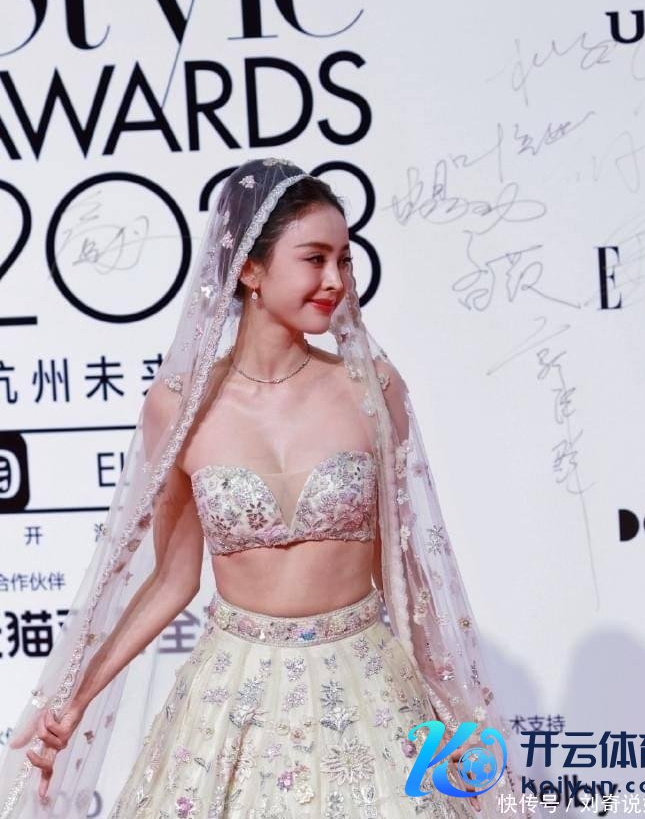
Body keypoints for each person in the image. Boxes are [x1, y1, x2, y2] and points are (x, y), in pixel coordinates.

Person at [0, 159, 536, 818]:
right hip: (232, 699)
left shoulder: (371, 389)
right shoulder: (179, 408)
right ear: (250, 270)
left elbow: (411, 580)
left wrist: (461, 722)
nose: (336, 280)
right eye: (315, 259)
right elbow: (171, 579)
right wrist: (72, 701)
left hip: (366, 690)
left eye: (344, 260)